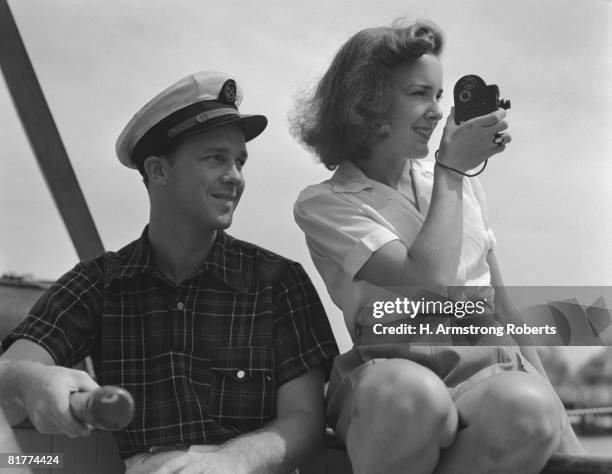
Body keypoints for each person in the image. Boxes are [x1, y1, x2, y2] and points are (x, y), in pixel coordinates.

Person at [0, 70, 339, 474]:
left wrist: (229, 464)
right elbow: (8, 369)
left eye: (239, 161)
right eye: (217, 158)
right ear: (158, 171)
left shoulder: (279, 282)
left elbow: (306, 420)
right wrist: (30, 381)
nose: (235, 176)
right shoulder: (99, 284)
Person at [292, 21, 583, 474]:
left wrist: (561, 419)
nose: (437, 112)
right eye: (419, 94)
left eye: (439, 95)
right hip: (389, 370)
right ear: (366, 101)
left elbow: (502, 308)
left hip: (486, 364)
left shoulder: (457, 184)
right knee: (412, 400)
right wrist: (450, 168)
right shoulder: (325, 203)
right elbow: (425, 279)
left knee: (530, 411)